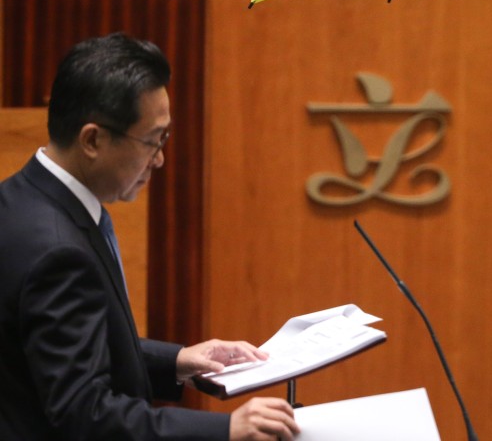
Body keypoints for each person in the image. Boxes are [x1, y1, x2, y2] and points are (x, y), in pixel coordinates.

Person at [0, 33, 300, 440]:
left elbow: (54, 350)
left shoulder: (19, 199)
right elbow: (83, 413)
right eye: (152, 139)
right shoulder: (58, 252)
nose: (159, 158)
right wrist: (227, 429)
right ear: (92, 140)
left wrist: (177, 360)